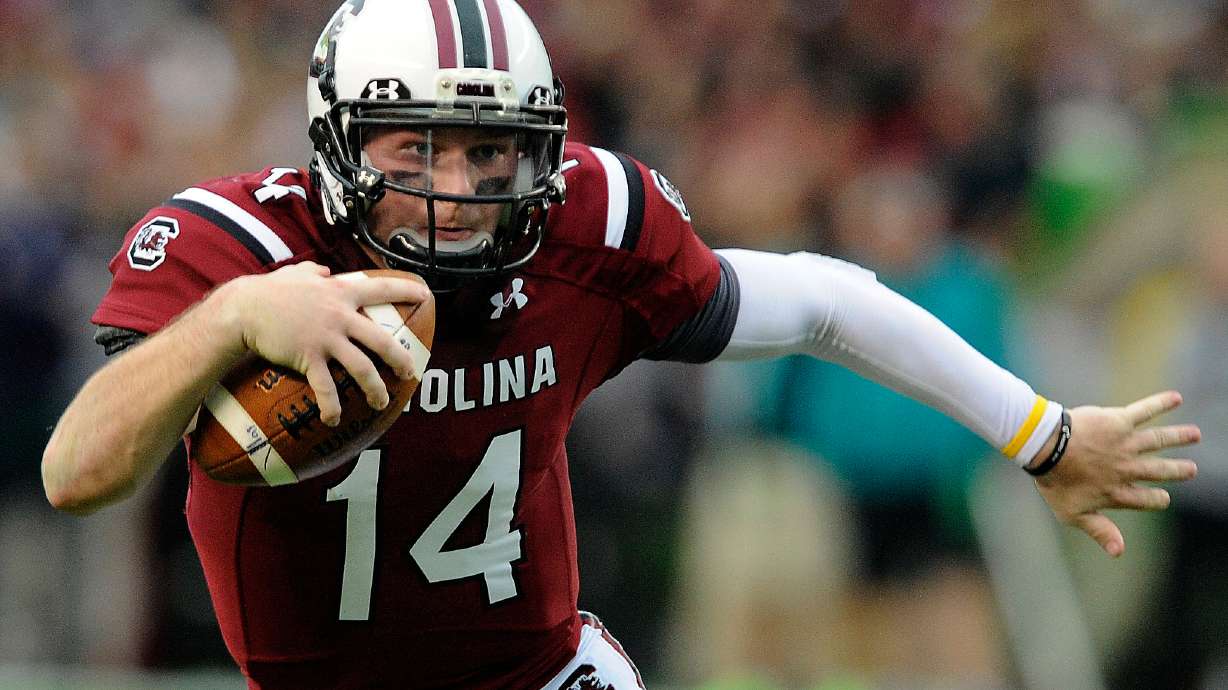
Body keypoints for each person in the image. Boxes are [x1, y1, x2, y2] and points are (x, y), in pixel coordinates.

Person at [40, 1, 1199, 688]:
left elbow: (821, 301)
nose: (456, 192)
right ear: (336, 147)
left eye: (487, 153)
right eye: (414, 151)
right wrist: (236, 320)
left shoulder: (587, 230)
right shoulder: (236, 244)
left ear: (538, 154)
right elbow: (75, 474)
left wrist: (1043, 435)